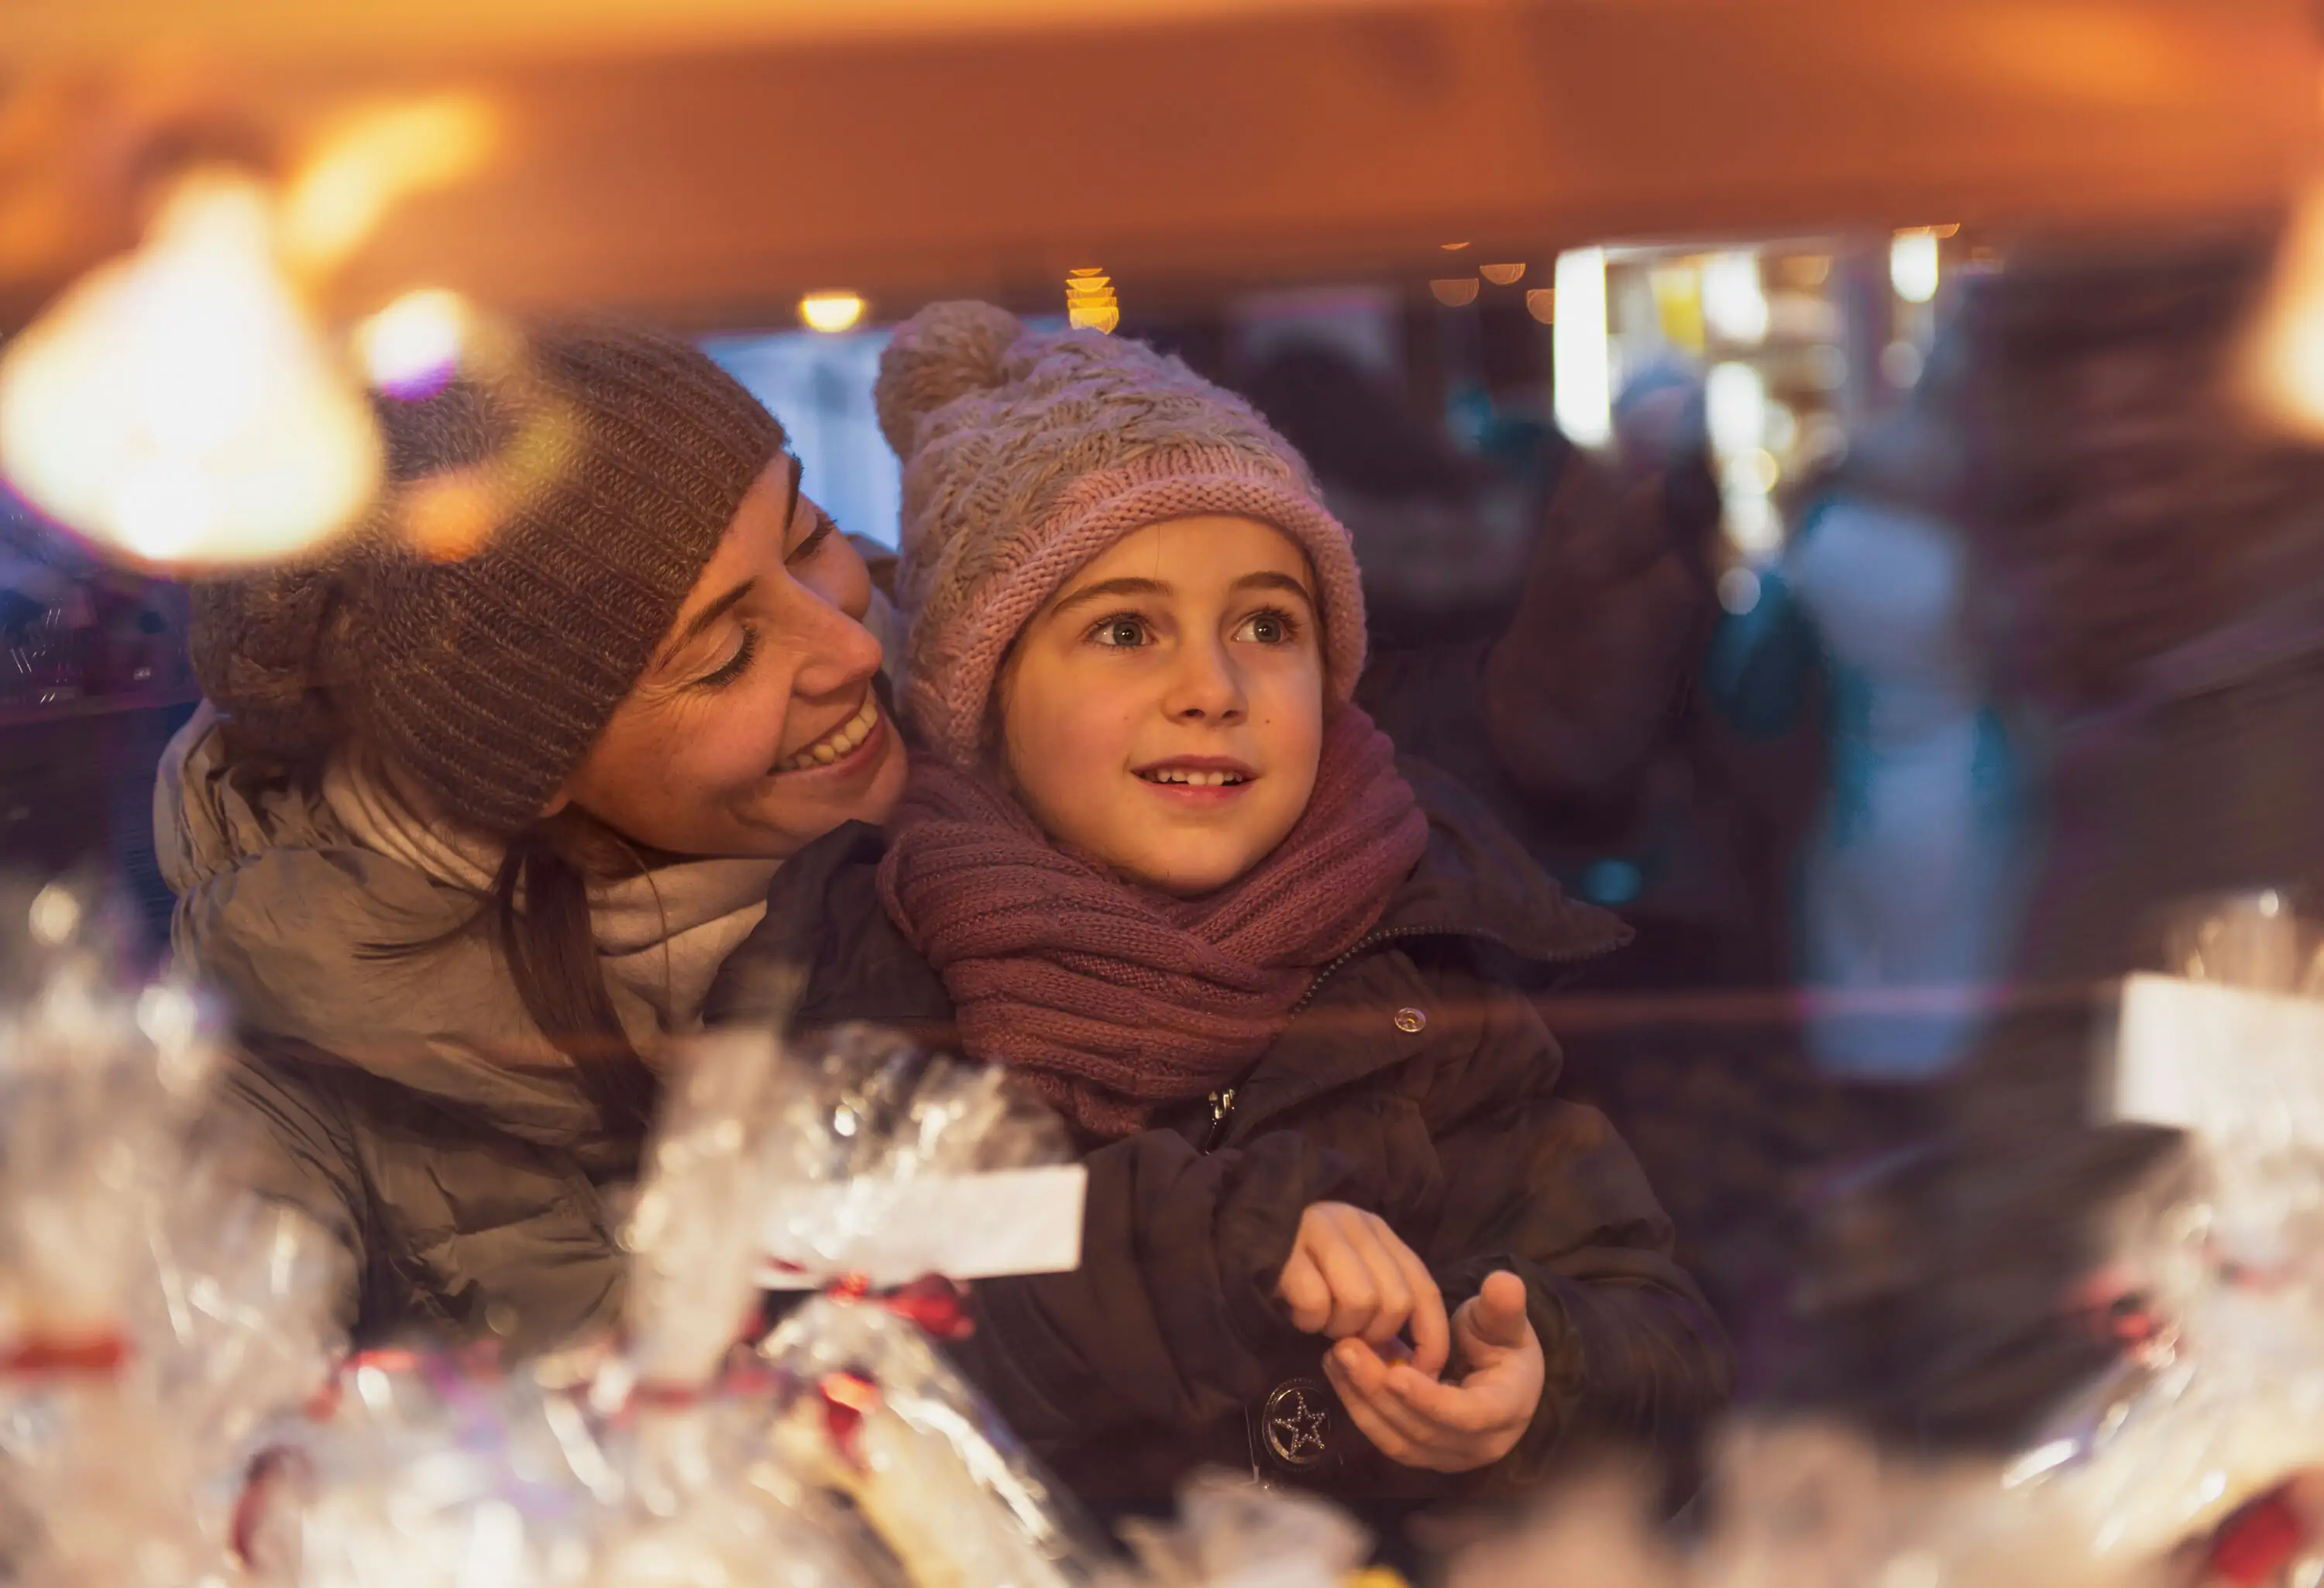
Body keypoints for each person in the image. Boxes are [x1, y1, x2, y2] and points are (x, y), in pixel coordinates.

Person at [707, 302, 1731, 1507]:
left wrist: (1537, 1371)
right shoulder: (863, 964)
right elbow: (819, 1287)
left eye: (1267, 624)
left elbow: (1659, 1332)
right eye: (1127, 628)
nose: (1214, 686)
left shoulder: (1429, 960)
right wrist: (1214, 1240)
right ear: (978, 694)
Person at [157, 318, 907, 1351]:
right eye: (728, 651)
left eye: (807, 533)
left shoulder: (1018, 709)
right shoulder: (288, 1072)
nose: (854, 645)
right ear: (537, 767)